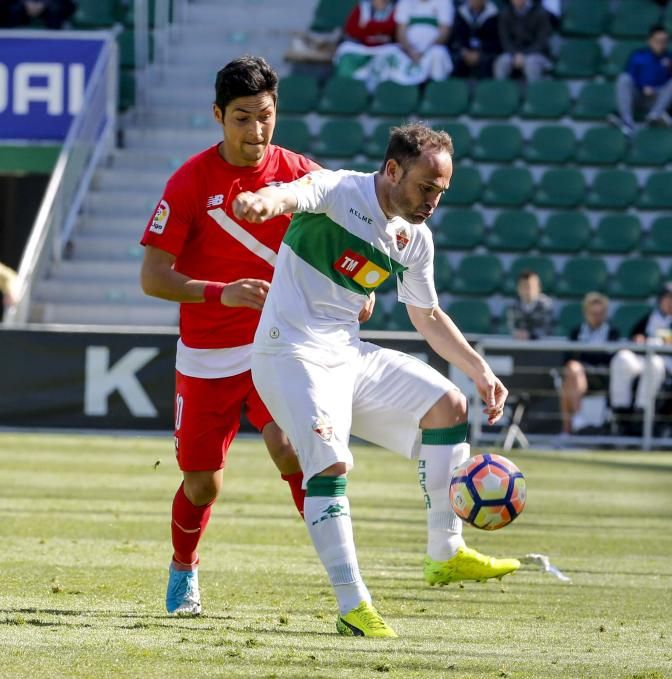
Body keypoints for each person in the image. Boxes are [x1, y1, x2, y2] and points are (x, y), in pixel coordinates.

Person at [233, 123, 519, 638]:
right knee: (330, 461)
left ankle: (445, 553)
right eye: (425, 187)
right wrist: (264, 201)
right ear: (392, 170)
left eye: (441, 192)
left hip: (346, 352)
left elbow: (427, 315)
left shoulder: (414, 238)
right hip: (288, 351)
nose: (433, 201)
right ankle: (352, 604)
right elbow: (296, 192)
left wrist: (479, 369)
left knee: (449, 405)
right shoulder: (341, 189)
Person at [139, 57, 367, 617]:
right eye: (242, 118)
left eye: (265, 116)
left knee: (292, 449)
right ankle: (184, 568)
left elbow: (353, 239)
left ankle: (347, 585)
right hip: (207, 356)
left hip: (282, 348)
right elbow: (153, 277)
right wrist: (221, 293)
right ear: (218, 116)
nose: (256, 131)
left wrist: (359, 286)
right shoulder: (189, 182)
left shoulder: (300, 174)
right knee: (201, 487)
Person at [609, 282, 672, 424]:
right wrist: (638, 339)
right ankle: (620, 411)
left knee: (654, 363)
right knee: (622, 358)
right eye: (667, 298)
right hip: (644, 357)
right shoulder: (650, 318)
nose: (670, 303)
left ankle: (642, 412)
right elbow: (635, 336)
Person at [559, 292, 621, 436]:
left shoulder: (612, 333)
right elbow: (567, 358)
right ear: (586, 313)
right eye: (593, 313)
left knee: (570, 377)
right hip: (577, 377)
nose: (596, 317)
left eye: (600, 313)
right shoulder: (576, 332)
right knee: (571, 375)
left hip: (603, 377)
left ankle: (569, 428)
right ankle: (574, 424)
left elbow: (612, 360)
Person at [609, 25, 672, 136]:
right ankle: (627, 121)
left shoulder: (671, 58)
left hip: (657, 99)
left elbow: (670, 82)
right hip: (638, 96)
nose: (661, 44)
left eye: (664, 41)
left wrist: (655, 89)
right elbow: (630, 76)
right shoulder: (638, 55)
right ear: (650, 41)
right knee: (623, 79)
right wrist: (642, 86)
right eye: (658, 41)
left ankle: (654, 116)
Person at [395, 0, 454, 81]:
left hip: (431, 51)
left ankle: (437, 89)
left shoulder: (445, 2)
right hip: (408, 52)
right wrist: (410, 51)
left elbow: (444, 32)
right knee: (391, 51)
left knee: (438, 52)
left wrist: (424, 52)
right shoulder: (405, 2)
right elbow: (401, 33)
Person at [493, 0, 552, 82]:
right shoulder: (505, 13)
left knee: (531, 63)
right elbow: (505, 40)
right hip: (513, 53)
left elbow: (541, 41)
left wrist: (524, 55)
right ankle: (501, 93)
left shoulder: (540, 13)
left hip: (537, 53)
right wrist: (515, 54)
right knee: (502, 62)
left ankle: (534, 93)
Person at [450, 0, 501, 79]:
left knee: (487, 62)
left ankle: (485, 90)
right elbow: (458, 37)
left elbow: (494, 40)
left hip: (485, 51)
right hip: (465, 51)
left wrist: (479, 53)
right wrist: (464, 51)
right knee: (457, 60)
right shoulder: (461, 13)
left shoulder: (493, 14)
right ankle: (455, 90)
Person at [506, 270, 554, 340]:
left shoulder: (546, 305)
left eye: (532, 286)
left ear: (539, 288)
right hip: (518, 346)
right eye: (524, 286)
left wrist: (530, 335)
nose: (528, 290)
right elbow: (511, 327)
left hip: (541, 346)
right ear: (518, 289)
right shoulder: (513, 306)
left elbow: (547, 329)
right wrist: (516, 333)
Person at [3, 0, 75, 28]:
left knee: (56, 9)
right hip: (21, 6)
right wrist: (25, 2)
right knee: (12, 9)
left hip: (48, 6)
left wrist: (44, 3)